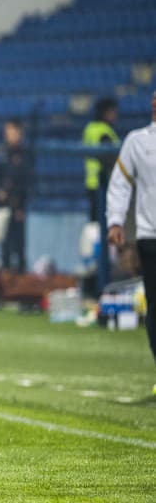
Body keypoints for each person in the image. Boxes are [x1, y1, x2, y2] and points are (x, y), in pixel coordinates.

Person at [106, 90, 156, 394]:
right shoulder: (138, 141)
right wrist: (115, 220)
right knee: (155, 310)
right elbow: (120, 183)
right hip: (151, 237)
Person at [0, 119, 33, 273]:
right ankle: (5, 274)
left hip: (18, 204)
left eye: (12, 131)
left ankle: (21, 275)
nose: (9, 135)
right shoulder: (3, 153)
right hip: (4, 204)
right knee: (4, 241)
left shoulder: (25, 154)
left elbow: (27, 181)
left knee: (19, 243)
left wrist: (21, 205)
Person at [83, 97, 120, 222]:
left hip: (91, 181)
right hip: (103, 182)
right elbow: (108, 158)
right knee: (104, 221)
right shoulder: (104, 131)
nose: (115, 115)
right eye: (112, 111)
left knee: (94, 219)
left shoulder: (90, 128)